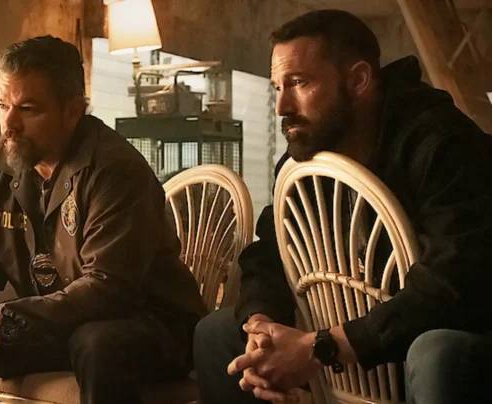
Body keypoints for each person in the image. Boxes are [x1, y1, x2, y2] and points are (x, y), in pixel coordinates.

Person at [194, 10, 492, 404]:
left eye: (299, 83)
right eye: (277, 87)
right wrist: (261, 325)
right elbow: (267, 253)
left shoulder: (442, 145)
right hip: (351, 336)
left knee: (437, 353)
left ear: (358, 80)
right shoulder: (305, 160)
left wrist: (322, 347)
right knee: (216, 333)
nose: (282, 105)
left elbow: (454, 283)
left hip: (446, 330)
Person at [0, 35, 207, 404]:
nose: (9, 124)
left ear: (73, 111)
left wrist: (2, 322)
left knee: (96, 342)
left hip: (148, 324)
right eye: (2, 105)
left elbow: (109, 289)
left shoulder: (116, 170)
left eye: (28, 109)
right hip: (52, 323)